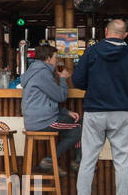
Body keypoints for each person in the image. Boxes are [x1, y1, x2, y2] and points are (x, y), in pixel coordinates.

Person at [70, 18, 128, 195]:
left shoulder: (91, 52)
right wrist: (124, 89)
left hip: (94, 112)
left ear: (106, 31)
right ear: (125, 35)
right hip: (121, 112)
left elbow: (78, 80)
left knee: (88, 158)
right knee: (122, 161)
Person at [20, 45, 82, 175]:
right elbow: (60, 96)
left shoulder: (34, 71)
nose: (57, 60)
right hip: (43, 121)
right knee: (81, 127)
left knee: (76, 128)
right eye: (55, 57)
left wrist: (66, 112)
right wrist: (64, 79)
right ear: (48, 59)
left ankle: (68, 161)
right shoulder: (42, 73)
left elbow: (47, 99)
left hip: (36, 120)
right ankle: (54, 160)